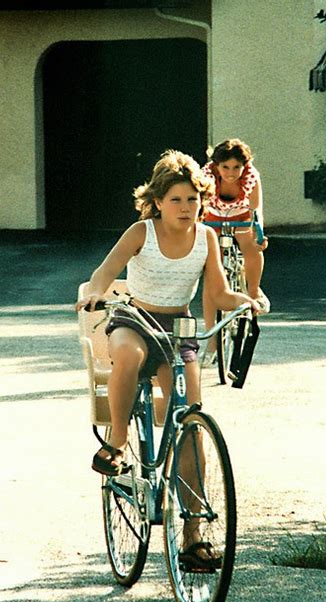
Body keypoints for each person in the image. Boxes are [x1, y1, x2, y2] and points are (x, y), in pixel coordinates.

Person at [75, 149, 260, 570]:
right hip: (134, 317)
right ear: (157, 201)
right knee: (128, 354)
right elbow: (105, 273)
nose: (185, 208)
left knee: (190, 420)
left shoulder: (207, 237)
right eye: (176, 200)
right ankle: (118, 442)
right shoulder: (142, 232)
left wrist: (246, 299)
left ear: (203, 201)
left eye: (193, 200)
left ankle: (193, 535)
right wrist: (95, 293)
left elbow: (217, 293)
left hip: (178, 327)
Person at [201, 138, 270, 366]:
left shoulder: (251, 178)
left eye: (236, 167)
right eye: (225, 167)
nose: (231, 173)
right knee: (212, 277)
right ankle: (212, 340)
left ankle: (253, 291)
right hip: (213, 217)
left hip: (241, 216)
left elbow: (255, 212)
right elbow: (198, 207)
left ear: (244, 166)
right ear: (216, 166)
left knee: (250, 245)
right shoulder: (206, 176)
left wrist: (259, 236)